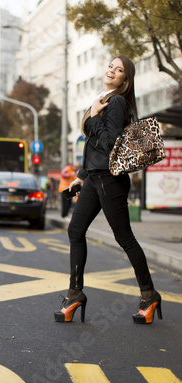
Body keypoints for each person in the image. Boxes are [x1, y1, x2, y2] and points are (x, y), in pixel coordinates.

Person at [54, 55, 161, 324]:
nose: (112, 70)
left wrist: (92, 116)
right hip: (94, 177)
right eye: (111, 66)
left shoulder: (116, 101)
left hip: (110, 180)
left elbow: (109, 141)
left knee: (124, 238)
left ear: (126, 79)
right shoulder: (104, 99)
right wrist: (80, 176)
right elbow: (92, 146)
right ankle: (74, 294)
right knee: (75, 230)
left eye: (120, 69)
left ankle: (149, 295)